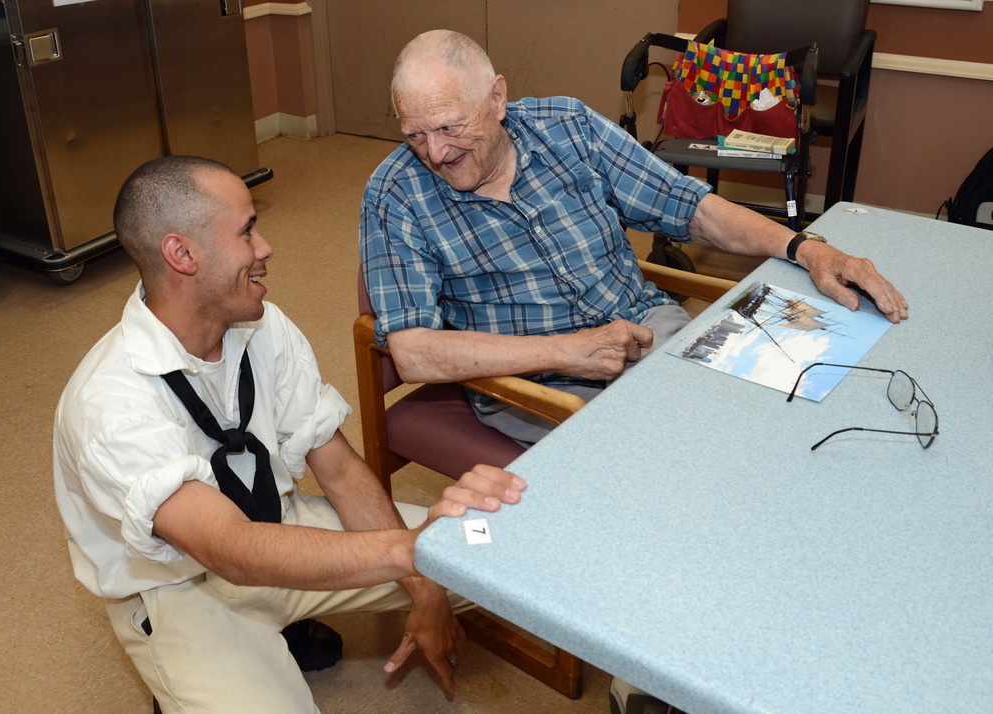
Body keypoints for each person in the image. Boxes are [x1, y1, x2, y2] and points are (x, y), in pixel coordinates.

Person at [53, 155, 526, 713]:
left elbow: (340, 469)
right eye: (247, 229)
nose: (266, 246)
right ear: (182, 255)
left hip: (278, 524)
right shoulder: (109, 401)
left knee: (501, 555)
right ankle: (189, 676)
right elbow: (227, 549)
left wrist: (427, 589)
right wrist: (409, 553)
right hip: (181, 586)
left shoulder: (262, 325)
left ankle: (282, 622)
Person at [360, 29, 910, 446]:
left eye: (450, 127)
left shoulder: (567, 127)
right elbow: (414, 352)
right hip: (533, 383)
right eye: (415, 135)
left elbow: (688, 206)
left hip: (648, 328)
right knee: (679, 452)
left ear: (498, 98)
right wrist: (566, 352)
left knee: (776, 405)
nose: (435, 153)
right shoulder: (395, 195)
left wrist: (806, 248)